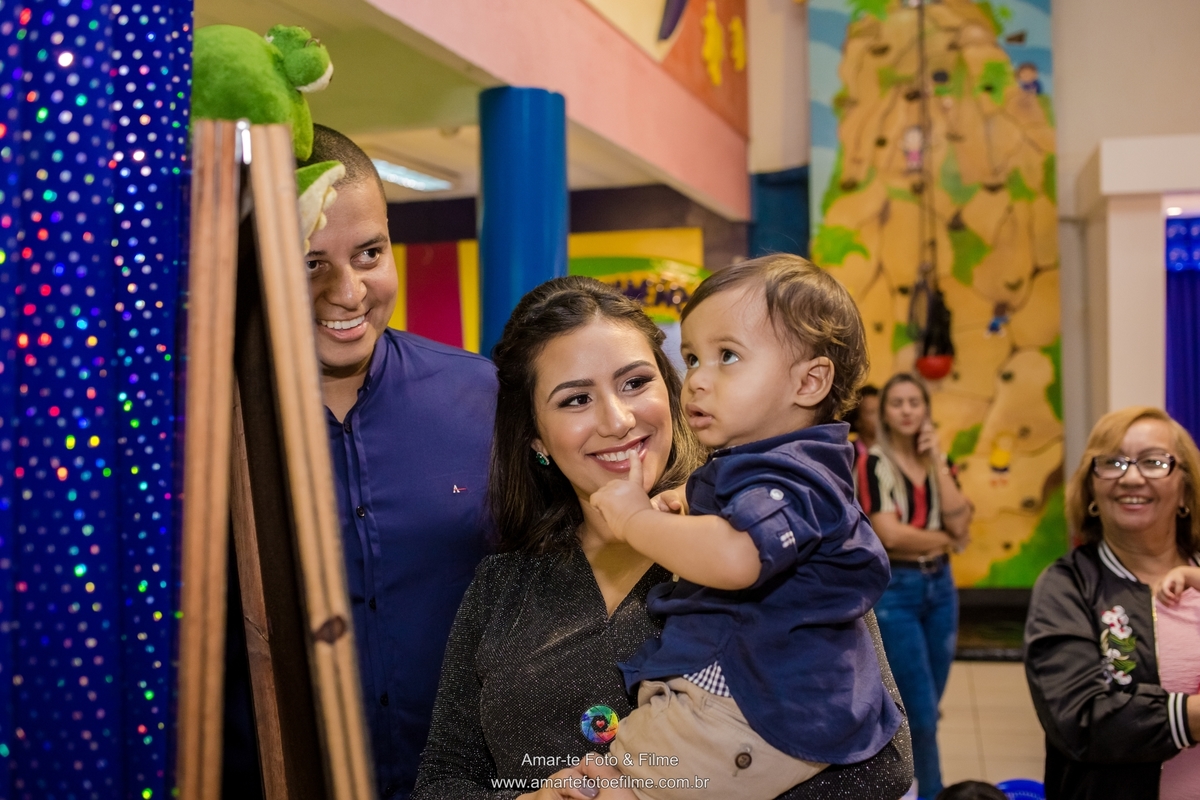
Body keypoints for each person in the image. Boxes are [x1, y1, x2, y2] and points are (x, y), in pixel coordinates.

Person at [412, 276, 915, 800]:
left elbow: (881, 765)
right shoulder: (502, 585)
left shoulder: (763, 531)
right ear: (536, 435)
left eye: (635, 383)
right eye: (576, 399)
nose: (619, 419)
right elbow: (444, 778)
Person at [587, 255, 902, 799]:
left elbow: (736, 558)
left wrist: (634, 518)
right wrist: (689, 498)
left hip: (749, 711)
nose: (698, 381)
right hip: (734, 708)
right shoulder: (774, 466)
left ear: (809, 382)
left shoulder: (792, 472)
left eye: (727, 356)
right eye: (691, 358)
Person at [302, 125, 498, 799]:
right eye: (311, 263)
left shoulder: (483, 394)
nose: (348, 291)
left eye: (369, 253)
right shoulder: (206, 427)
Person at [1024, 406, 1200, 800]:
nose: (1131, 477)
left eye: (1154, 462)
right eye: (1113, 462)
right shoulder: (1067, 586)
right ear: (1091, 489)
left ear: (1186, 488)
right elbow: (1080, 720)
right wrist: (1193, 716)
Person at [861, 373, 973, 799]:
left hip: (940, 586)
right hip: (899, 591)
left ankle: (904, 783)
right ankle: (932, 792)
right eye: (897, 403)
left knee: (929, 707)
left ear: (926, 410)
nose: (907, 410)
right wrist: (950, 539)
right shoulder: (874, 461)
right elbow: (891, 534)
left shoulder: (937, 461)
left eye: (915, 402)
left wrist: (938, 461)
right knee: (921, 716)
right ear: (885, 414)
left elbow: (961, 516)